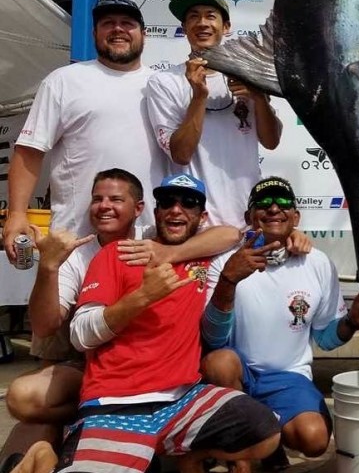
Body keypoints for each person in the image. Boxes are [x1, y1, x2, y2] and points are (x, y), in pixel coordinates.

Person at [1, 170, 241, 468]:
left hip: (161, 368)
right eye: (97, 199)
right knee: (22, 398)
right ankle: (87, 429)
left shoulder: (153, 237)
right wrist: (48, 267)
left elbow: (230, 234)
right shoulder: (76, 253)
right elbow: (44, 326)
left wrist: (169, 251)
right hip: (98, 368)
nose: (104, 206)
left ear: (139, 209)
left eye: (116, 199)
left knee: (223, 363)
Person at [50, 173, 281, 472]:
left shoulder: (204, 259)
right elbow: (80, 335)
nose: (176, 209)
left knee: (265, 431)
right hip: (116, 404)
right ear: (155, 212)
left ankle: (179, 457)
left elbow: (214, 332)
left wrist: (226, 280)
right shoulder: (117, 254)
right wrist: (142, 297)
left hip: (183, 400)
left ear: (202, 217)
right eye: (167, 202)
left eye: (189, 203)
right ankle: (49, 454)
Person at [201, 176, 359, 469]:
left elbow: (324, 338)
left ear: (296, 217)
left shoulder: (317, 262)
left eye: (283, 202)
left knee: (314, 440)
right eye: (263, 203)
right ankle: (252, 451)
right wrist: (228, 281)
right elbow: (213, 339)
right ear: (248, 217)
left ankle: (264, 434)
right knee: (220, 362)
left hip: (289, 378)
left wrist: (352, 321)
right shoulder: (224, 262)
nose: (274, 208)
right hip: (238, 376)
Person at [3, 0, 166, 261]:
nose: (118, 29)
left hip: (148, 242)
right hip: (74, 244)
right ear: (94, 33)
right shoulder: (63, 81)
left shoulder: (165, 86)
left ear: (144, 35)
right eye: (108, 23)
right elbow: (29, 152)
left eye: (127, 23)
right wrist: (17, 214)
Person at [146, 0, 282, 226]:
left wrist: (259, 98)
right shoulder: (164, 81)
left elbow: (271, 141)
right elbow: (181, 154)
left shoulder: (249, 76)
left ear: (226, 26)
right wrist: (199, 95)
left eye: (210, 15)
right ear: (184, 28)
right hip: (193, 221)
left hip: (247, 217)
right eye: (193, 17)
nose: (202, 23)